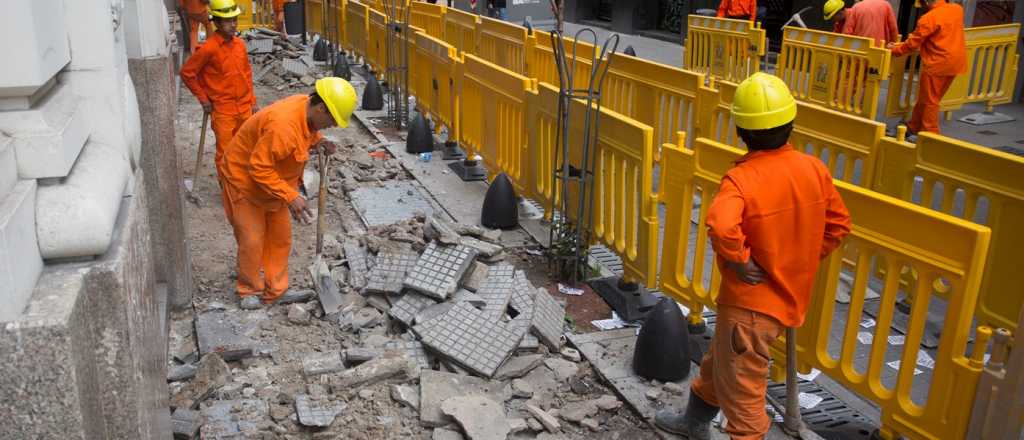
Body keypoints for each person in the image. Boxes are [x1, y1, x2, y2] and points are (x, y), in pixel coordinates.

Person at [654, 72, 852, 440]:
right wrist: (800, 256)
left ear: (741, 133)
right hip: (782, 301)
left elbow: (721, 224)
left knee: (743, 398)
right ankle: (695, 423)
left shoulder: (742, 179)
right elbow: (839, 225)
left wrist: (741, 260)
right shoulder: (814, 170)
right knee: (720, 367)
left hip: (750, 309)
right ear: (791, 124)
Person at [220, 78, 357, 308]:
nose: (332, 125)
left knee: (280, 237)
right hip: (243, 180)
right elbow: (259, 168)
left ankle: (276, 290)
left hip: (273, 182)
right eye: (332, 120)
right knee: (252, 239)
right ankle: (249, 290)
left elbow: (306, 132)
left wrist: (318, 141)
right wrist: (291, 196)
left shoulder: (305, 108)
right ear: (321, 108)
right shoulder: (283, 126)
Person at [180, 0, 257, 190]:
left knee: (246, 148)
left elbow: (247, 75)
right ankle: (229, 188)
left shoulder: (239, 45)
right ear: (217, 22)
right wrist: (203, 99)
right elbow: (187, 73)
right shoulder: (208, 48)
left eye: (235, 19)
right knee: (226, 152)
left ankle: (243, 184)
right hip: (223, 111)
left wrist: (253, 102)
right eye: (228, 21)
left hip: (244, 107)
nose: (234, 24)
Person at [887, 0, 966, 136]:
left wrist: (895, 49)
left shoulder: (928, 18)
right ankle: (914, 126)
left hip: (937, 64)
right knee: (928, 98)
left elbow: (913, 43)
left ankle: (930, 134)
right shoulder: (957, 9)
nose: (920, 6)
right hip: (956, 62)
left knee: (930, 101)